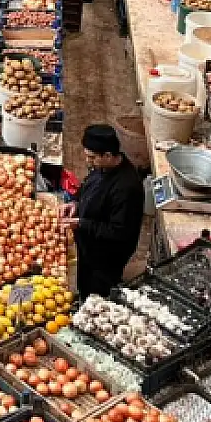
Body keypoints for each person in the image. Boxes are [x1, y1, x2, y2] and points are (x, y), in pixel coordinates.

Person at [65, 124, 146, 298]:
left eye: (92, 157)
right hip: (89, 246)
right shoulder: (103, 167)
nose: (88, 162)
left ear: (108, 155)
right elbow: (88, 185)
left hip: (106, 257)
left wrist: (81, 223)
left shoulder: (127, 188)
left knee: (97, 294)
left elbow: (119, 231)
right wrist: (76, 202)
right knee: (83, 282)